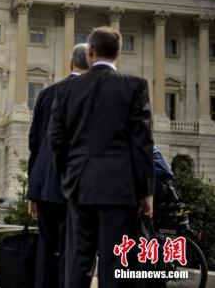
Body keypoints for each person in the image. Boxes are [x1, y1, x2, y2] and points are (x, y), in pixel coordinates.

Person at [50, 27, 155, 288]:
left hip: (80, 185)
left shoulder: (66, 90)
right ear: (118, 53)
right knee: (116, 264)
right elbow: (142, 143)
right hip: (119, 190)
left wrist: (67, 177)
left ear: (92, 52)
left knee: (78, 262)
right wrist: (146, 191)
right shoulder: (134, 86)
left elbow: (57, 141)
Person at [27, 43, 89, 288]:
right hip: (78, 188)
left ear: (70, 63)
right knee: (75, 254)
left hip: (45, 186)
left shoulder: (47, 93)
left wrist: (33, 191)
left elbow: (35, 144)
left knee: (47, 249)